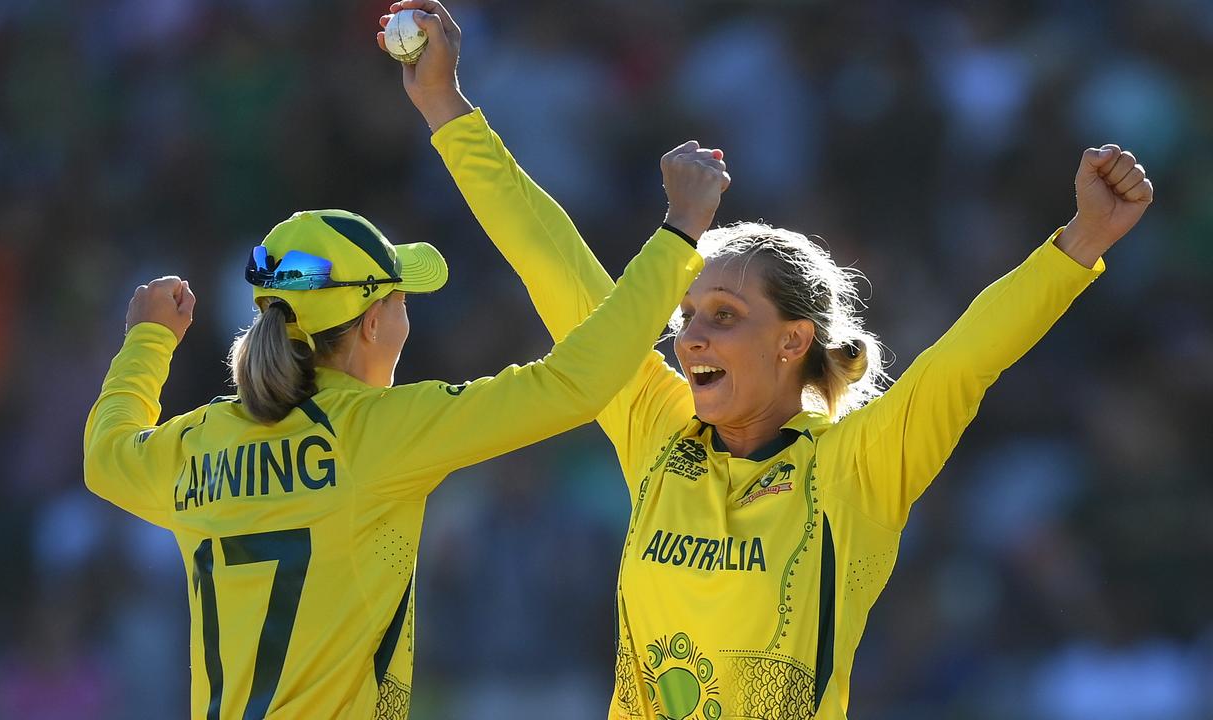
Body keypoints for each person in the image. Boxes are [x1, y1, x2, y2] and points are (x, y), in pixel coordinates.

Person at [381, 2, 1156, 718]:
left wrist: (1082, 241)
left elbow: (966, 360)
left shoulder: (858, 466)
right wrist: (446, 108)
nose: (689, 340)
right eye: (686, 318)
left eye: (723, 317)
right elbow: (549, 260)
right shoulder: (653, 423)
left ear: (793, 341)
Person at [84, 146, 730, 718]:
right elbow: (576, 383)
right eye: (400, 302)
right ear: (371, 324)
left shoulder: (199, 442)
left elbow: (105, 458)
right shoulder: (382, 431)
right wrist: (679, 234)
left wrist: (147, 342)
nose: (405, 322)